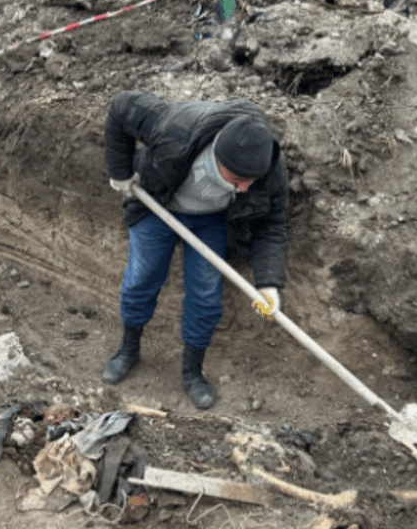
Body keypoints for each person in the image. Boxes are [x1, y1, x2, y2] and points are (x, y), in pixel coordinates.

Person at [102, 90, 288, 410]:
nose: (244, 189)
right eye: (238, 179)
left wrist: (268, 284)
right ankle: (128, 349)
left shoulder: (268, 166)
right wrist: (120, 172)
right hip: (158, 206)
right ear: (218, 156)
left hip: (211, 222)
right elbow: (121, 106)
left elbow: (272, 225)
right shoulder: (176, 129)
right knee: (141, 279)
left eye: (250, 182)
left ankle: (192, 371)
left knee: (204, 295)